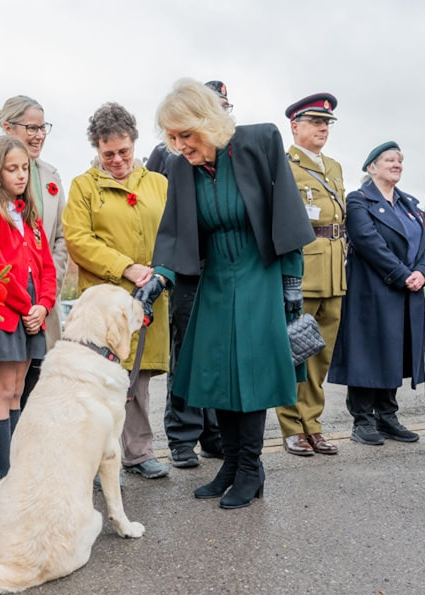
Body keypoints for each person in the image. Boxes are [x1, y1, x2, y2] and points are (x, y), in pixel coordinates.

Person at [137, 79, 313, 508]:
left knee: (249, 374)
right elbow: (176, 232)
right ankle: (232, 465)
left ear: (207, 122)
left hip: (258, 274)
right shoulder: (180, 166)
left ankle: (252, 469)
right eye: (172, 138)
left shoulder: (259, 141)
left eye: (186, 135)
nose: (179, 146)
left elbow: (285, 217)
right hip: (214, 277)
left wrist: (292, 284)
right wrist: (158, 278)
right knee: (220, 374)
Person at [62, 103, 171, 480]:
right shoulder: (83, 187)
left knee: (135, 379)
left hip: (150, 295)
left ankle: (138, 453)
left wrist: (160, 273)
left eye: (124, 151)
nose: (118, 160)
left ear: (134, 143)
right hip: (106, 301)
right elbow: (77, 239)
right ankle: (89, 461)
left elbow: (172, 234)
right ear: (97, 149)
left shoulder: (158, 183)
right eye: (108, 154)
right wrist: (126, 266)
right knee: (98, 381)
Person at [0, 96, 68, 477]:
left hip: (34, 310)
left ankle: (19, 461)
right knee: (4, 386)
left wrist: (43, 305)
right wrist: (23, 305)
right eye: (11, 169)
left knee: (20, 390)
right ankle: (6, 467)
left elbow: (45, 263)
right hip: (7, 309)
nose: (20, 175)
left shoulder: (27, 213)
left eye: (23, 170)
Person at [328, 142, 425, 446]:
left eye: (400, 160)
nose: (396, 164)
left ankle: (387, 416)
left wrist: (423, 273)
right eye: (389, 160)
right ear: (371, 168)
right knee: (367, 355)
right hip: (373, 290)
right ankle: (362, 421)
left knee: (395, 354)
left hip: (406, 291)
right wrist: (403, 275)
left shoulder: (411, 204)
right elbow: (367, 240)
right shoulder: (359, 200)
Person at [144, 81, 227, 470]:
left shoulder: (230, 155)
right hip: (188, 272)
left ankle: (213, 434)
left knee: (218, 357)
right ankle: (182, 436)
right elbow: (169, 220)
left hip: (223, 271)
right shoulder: (168, 156)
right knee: (188, 358)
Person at [274, 92, 345, 458]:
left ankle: (312, 424)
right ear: (295, 126)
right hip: (303, 271)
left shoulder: (333, 167)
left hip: (334, 274)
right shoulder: (285, 165)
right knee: (294, 352)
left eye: (326, 123)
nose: (322, 128)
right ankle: (291, 426)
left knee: (320, 357)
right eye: (315, 122)